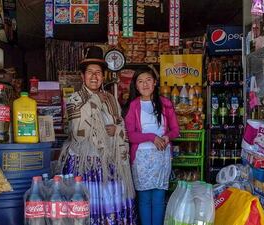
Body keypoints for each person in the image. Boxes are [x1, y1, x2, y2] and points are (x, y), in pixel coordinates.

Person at [58, 46, 136, 225]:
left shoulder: (111, 99)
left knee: (110, 205)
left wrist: (116, 131)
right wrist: (94, 101)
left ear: (103, 77)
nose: (94, 77)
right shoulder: (75, 99)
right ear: (82, 76)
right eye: (90, 72)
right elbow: (76, 131)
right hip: (85, 164)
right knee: (88, 204)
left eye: (98, 73)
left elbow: (120, 124)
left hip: (110, 163)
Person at [124, 69, 179, 225]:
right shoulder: (133, 106)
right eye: (140, 81)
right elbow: (130, 135)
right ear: (136, 85)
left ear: (155, 82)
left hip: (162, 157)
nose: (145, 84)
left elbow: (175, 130)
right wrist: (151, 137)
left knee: (159, 198)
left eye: (148, 80)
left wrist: (167, 137)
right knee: (144, 199)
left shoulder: (166, 103)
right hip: (141, 159)